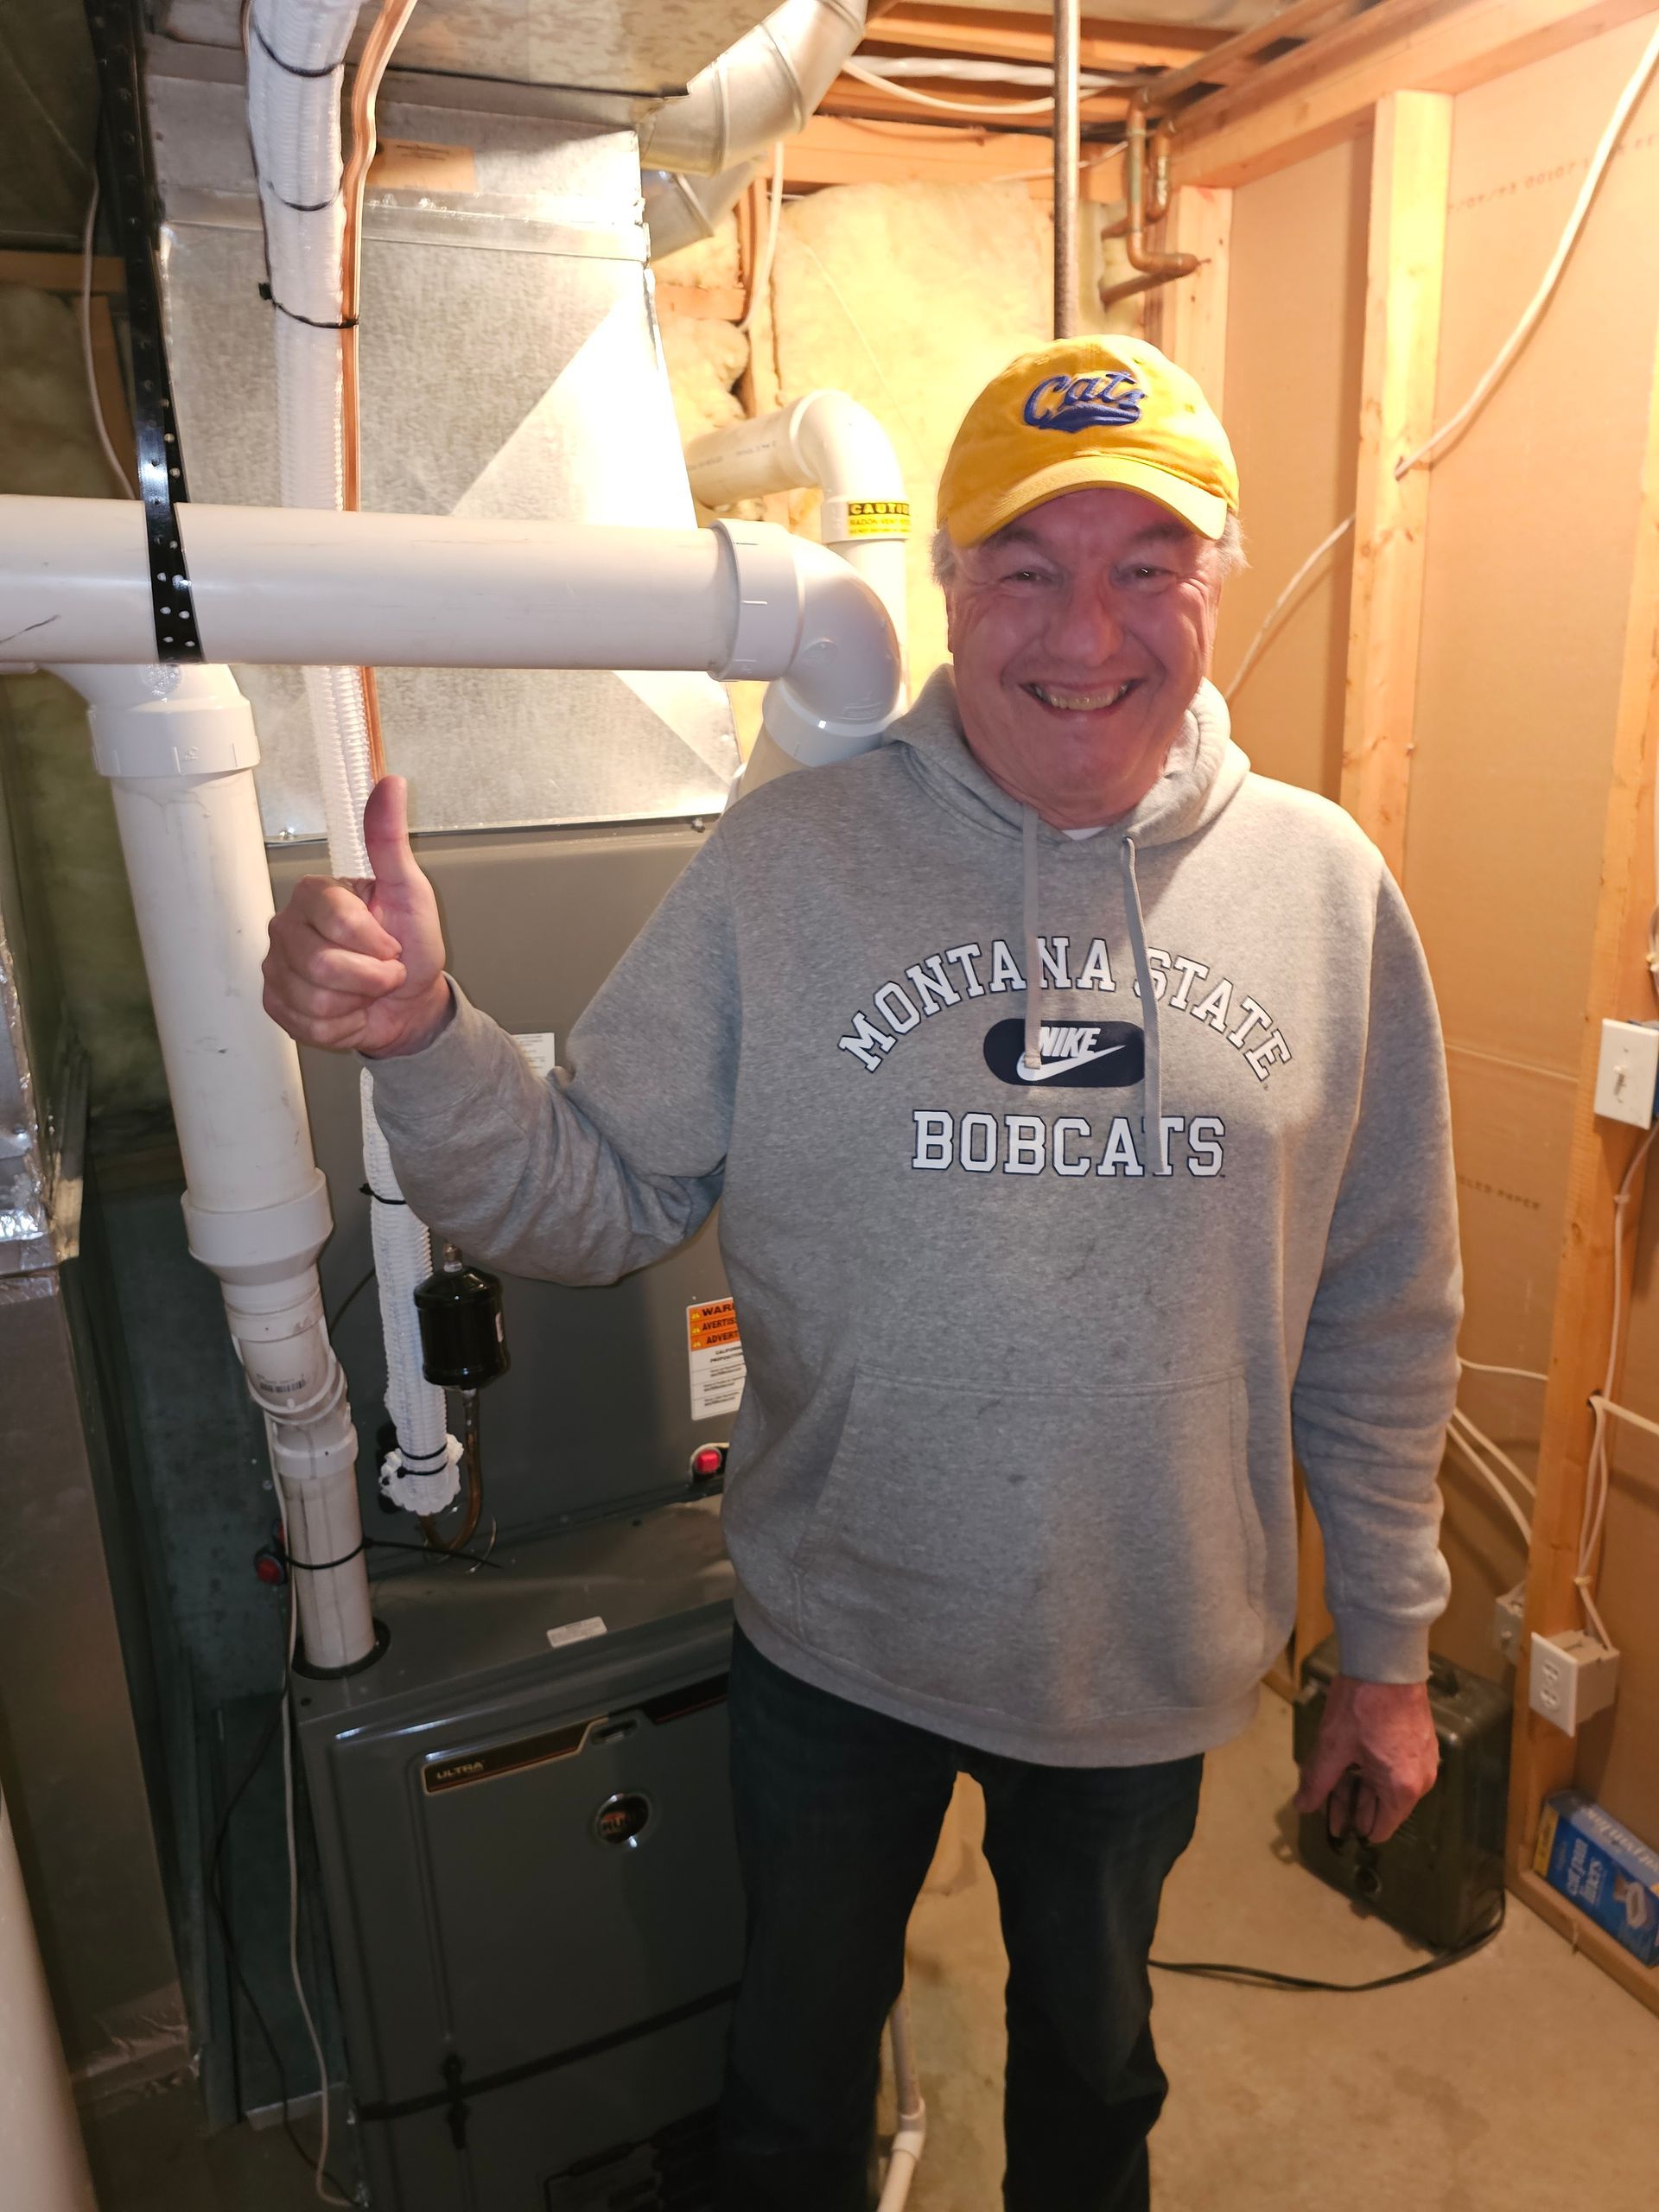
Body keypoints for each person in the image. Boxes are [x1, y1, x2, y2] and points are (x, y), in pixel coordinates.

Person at [263, 336, 1459, 2212]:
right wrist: (425, 1030)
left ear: (1218, 583)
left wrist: (1385, 1649)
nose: (1087, 628)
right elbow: (594, 1197)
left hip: (1148, 1654)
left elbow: (1385, 1312)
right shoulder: (785, 866)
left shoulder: (1325, 889)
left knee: (1093, 2075)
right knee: (795, 2087)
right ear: (949, 589)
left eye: (1149, 563)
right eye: (1028, 567)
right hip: (845, 1638)